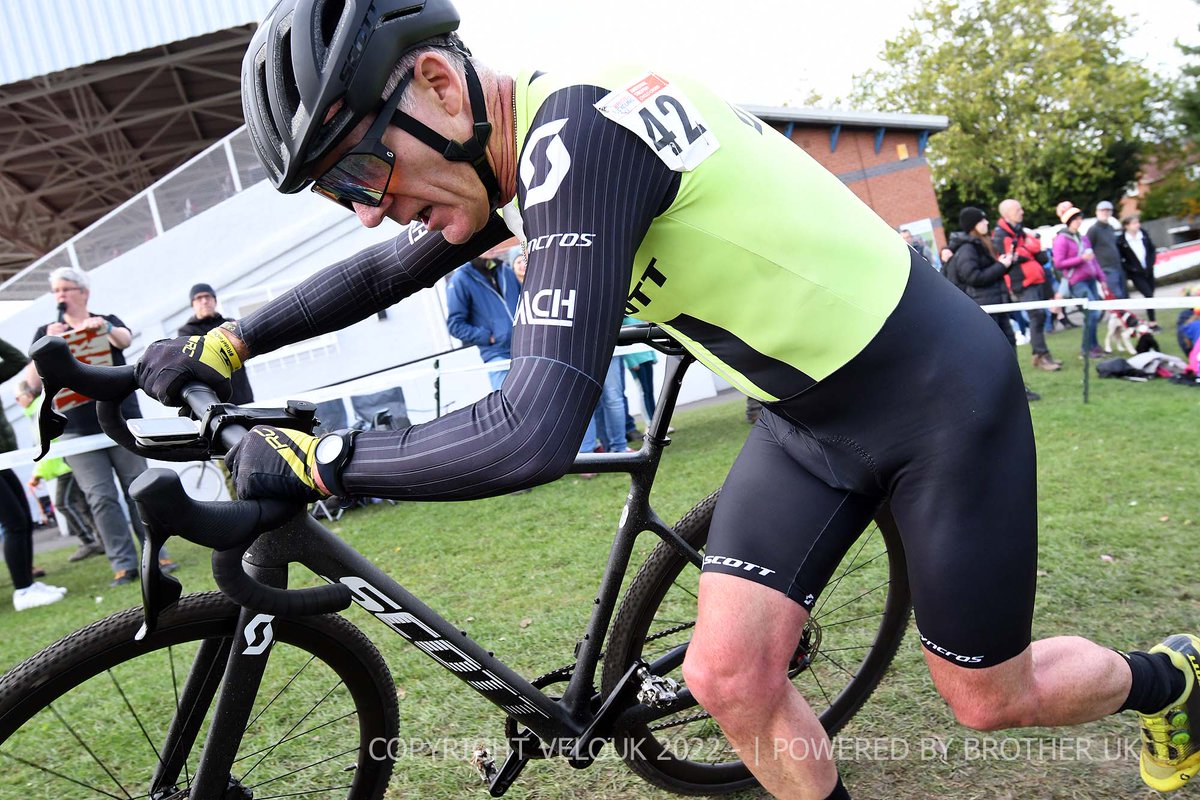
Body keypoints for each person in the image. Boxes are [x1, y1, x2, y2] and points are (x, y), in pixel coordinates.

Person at [133, 3, 1200, 795]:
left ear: (439, 88)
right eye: (341, 194)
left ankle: (1170, 678)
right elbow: (388, 271)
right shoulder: (514, 159)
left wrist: (324, 457)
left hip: (933, 397)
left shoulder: (578, 136)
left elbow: (533, 429)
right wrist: (227, 337)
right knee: (729, 675)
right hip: (806, 418)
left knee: (986, 696)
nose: (368, 211)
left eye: (361, 169)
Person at [30, 266, 175, 587]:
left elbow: (124, 339)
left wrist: (105, 327)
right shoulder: (46, 330)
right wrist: (47, 343)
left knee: (139, 486)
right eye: (56, 291)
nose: (60, 295)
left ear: (84, 292)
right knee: (100, 496)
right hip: (75, 428)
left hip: (119, 418)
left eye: (66, 288)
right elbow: (29, 380)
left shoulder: (106, 319)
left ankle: (159, 554)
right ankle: (123, 565)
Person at [0, 337, 67, 610]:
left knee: (24, 520)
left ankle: (28, 582)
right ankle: (23, 592)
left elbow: (17, 359)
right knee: (14, 523)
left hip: (3, 460)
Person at [946, 207, 1039, 401]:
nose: (986, 223)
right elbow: (972, 277)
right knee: (994, 352)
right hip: (985, 307)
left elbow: (990, 274)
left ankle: (1015, 390)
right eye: (982, 220)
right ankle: (999, 394)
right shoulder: (967, 249)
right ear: (973, 225)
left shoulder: (981, 244)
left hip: (998, 302)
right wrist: (1000, 266)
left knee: (1008, 347)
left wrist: (1007, 264)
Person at [16, 380, 104, 563]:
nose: (17, 401)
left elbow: (48, 445)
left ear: (28, 396)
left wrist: (38, 473)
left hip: (66, 465)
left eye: (18, 397)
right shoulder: (36, 411)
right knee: (83, 504)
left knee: (64, 503)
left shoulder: (39, 411)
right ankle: (100, 540)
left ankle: (89, 541)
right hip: (64, 465)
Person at [993, 199, 1061, 371]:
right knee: (1037, 316)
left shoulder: (1020, 232)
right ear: (1007, 214)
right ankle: (1042, 355)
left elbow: (1038, 252)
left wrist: (1027, 250)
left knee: (1041, 316)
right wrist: (1027, 250)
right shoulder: (1001, 235)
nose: (1022, 212)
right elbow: (1013, 257)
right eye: (1018, 209)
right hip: (1022, 282)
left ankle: (1040, 354)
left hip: (1036, 279)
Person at [445, 246, 521, 390]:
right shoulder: (461, 279)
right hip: (497, 355)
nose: (491, 245)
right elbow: (455, 325)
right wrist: (489, 337)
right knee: (510, 405)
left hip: (524, 349)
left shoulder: (505, 270)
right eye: (485, 243)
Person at [177, 283, 255, 403]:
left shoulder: (229, 323)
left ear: (215, 301)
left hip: (242, 393)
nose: (204, 301)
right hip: (213, 398)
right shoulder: (186, 332)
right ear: (193, 304)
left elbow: (245, 349)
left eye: (208, 297)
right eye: (199, 298)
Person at [1052, 203, 1106, 359]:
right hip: (1077, 281)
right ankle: (1086, 348)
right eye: (1076, 219)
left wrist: (1101, 278)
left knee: (1094, 314)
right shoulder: (1062, 239)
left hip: (1090, 279)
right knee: (1092, 314)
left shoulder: (1082, 238)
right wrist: (1080, 259)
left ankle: (1094, 346)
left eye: (1080, 218)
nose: (1079, 221)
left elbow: (1093, 261)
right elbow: (1059, 263)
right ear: (1069, 220)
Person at [1116, 215, 1159, 328]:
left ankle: (1152, 320)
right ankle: (1153, 322)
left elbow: (1151, 250)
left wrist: (1150, 263)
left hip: (1148, 270)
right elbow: (1121, 259)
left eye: (1138, 223)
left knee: (1150, 294)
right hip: (1136, 273)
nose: (1137, 225)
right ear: (1127, 226)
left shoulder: (1143, 235)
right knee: (1148, 294)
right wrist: (1131, 268)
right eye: (1134, 223)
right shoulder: (1121, 241)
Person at [1086, 200, 1126, 299]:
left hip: (1117, 266)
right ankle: (1119, 313)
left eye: (1107, 211)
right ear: (1097, 212)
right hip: (1105, 268)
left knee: (1123, 293)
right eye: (1102, 211)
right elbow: (1087, 247)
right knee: (1116, 294)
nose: (1105, 213)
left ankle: (1121, 314)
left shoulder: (1111, 228)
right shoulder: (1093, 230)